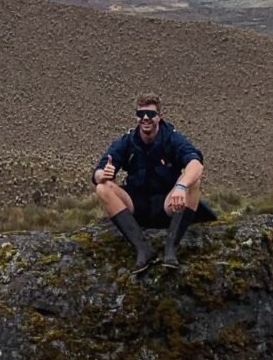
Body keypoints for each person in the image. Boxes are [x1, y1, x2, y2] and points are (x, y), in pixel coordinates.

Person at [91, 94, 215, 274]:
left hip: (168, 204)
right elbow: (98, 172)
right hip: (137, 204)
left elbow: (195, 164)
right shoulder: (127, 141)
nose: (146, 118)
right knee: (102, 187)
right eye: (141, 114)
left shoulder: (172, 138)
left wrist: (181, 187)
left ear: (159, 116)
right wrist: (103, 174)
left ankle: (171, 249)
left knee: (193, 182)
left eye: (150, 113)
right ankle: (143, 250)